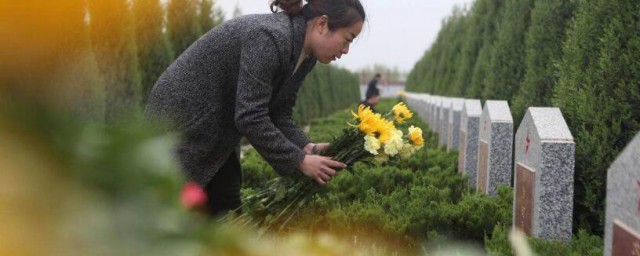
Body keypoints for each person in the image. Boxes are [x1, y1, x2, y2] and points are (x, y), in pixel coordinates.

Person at [145, 0, 366, 216]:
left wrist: (306, 146)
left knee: (226, 210)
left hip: (219, 130)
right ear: (322, 24)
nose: (346, 50)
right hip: (183, 125)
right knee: (171, 215)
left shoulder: (306, 56)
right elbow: (250, 116)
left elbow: (278, 112)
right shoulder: (270, 36)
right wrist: (299, 161)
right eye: (347, 39)